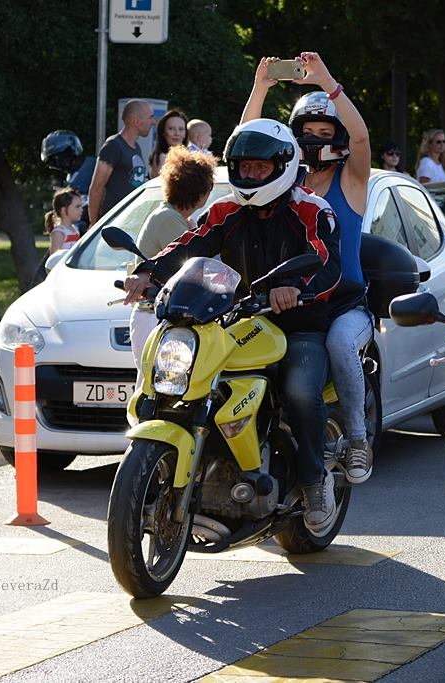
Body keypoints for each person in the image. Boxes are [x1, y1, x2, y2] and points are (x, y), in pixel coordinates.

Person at [123, 118, 342, 532]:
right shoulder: (226, 210)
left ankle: (314, 480)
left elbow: (328, 264)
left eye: (260, 168)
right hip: (240, 319)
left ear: (283, 165)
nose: (250, 175)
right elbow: (189, 245)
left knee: (298, 391)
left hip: (299, 325)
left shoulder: (312, 209)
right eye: (243, 167)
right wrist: (148, 273)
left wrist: (295, 287)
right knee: (192, 379)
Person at [242, 52, 375, 485]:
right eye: (308, 133)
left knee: (340, 344)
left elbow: (360, 139)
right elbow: (247, 143)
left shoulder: (351, 183)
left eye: (325, 132)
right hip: (290, 306)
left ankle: (357, 436)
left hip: (342, 306)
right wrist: (261, 87)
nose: (317, 140)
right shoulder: (285, 186)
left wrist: (327, 82)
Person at [128, 146, 216, 390]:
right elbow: (195, 265)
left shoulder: (174, 217)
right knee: (154, 387)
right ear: (200, 192)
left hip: (155, 315)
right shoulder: (169, 220)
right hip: (152, 314)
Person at [88, 99, 153, 226]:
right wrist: (94, 225)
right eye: (150, 117)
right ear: (137, 121)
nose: (154, 122)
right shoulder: (113, 145)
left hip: (129, 221)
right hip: (111, 223)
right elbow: (96, 189)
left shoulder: (136, 148)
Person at [149, 110, 188, 178]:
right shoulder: (162, 157)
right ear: (163, 132)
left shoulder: (188, 156)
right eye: (171, 129)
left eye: (181, 129)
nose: (177, 133)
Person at [43, 187, 82, 254]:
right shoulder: (59, 232)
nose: (81, 210)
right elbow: (54, 259)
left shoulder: (75, 229)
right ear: (63, 210)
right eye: (77, 207)